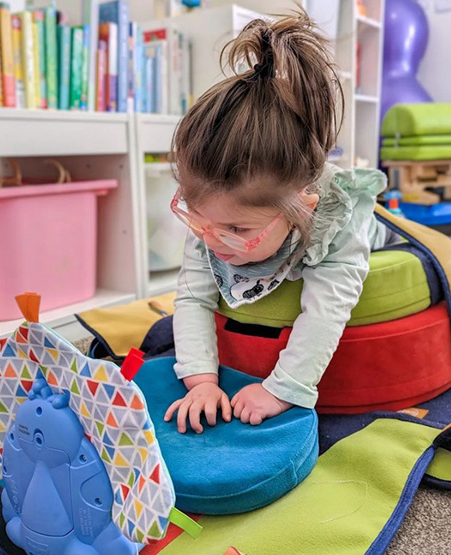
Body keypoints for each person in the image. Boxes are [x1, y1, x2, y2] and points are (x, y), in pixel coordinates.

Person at [164, 10, 396, 433]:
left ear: (301, 210)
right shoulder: (213, 215)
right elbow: (192, 297)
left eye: (237, 231)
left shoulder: (333, 222)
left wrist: (282, 388)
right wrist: (200, 381)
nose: (213, 239)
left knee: (393, 234)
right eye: (198, 219)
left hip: (374, 231)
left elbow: (325, 311)